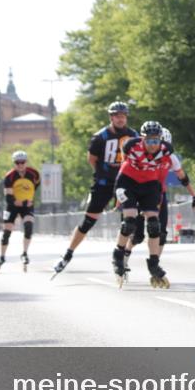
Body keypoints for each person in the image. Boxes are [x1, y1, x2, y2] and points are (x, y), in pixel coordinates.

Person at [52, 101, 138, 276]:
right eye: (117, 116)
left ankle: (121, 256)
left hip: (126, 182)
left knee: (131, 222)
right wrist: (105, 174)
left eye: (123, 116)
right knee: (88, 221)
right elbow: (92, 159)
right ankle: (68, 253)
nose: (121, 119)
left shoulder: (134, 135)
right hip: (104, 183)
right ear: (111, 117)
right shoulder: (100, 137)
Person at [123, 125, 195, 270]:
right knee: (137, 234)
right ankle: (124, 257)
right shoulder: (140, 155)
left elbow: (183, 178)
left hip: (158, 194)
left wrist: (194, 196)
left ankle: (154, 264)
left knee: (160, 232)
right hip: (140, 193)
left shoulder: (170, 157)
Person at [111, 121, 174, 287]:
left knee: (154, 225)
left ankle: (153, 263)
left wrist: (159, 196)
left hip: (150, 184)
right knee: (130, 222)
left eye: (156, 141)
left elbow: (161, 175)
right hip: (128, 182)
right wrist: (118, 193)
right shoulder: (131, 146)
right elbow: (123, 166)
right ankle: (118, 254)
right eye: (149, 141)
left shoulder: (166, 150)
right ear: (142, 139)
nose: (153, 145)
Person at [0, 151, 41, 273]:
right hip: (13, 205)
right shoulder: (9, 177)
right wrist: (23, 202)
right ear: (14, 163)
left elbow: (36, 186)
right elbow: (9, 199)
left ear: (26, 162)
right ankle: (2, 257)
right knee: (7, 231)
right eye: (17, 163)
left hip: (27, 204)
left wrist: (29, 197)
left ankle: (24, 253)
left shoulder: (34, 173)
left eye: (22, 162)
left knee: (29, 226)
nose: (20, 165)